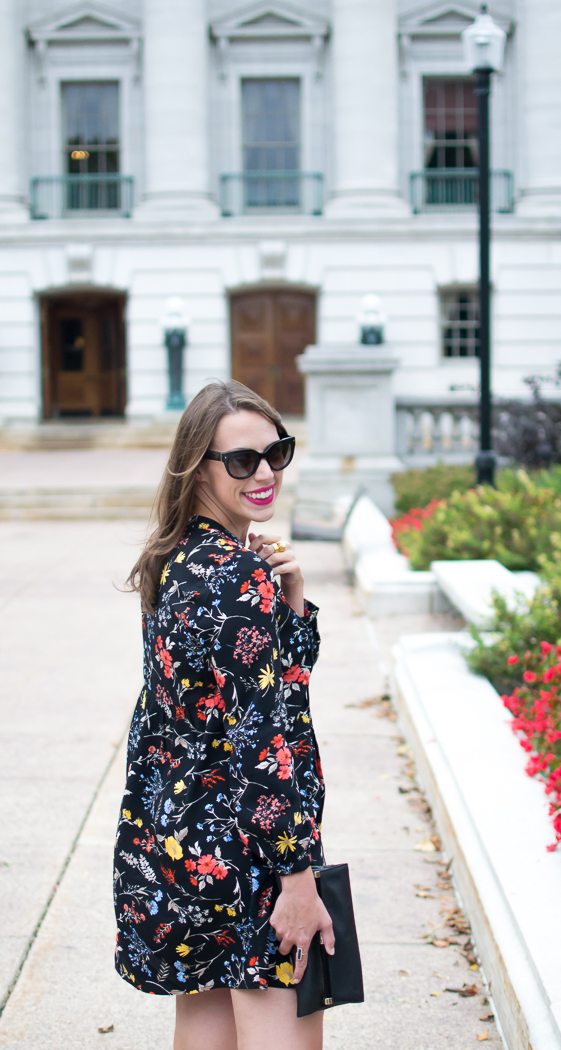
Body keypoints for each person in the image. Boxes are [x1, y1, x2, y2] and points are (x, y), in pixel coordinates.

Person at [114, 380, 334, 1050]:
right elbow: (262, 735)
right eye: (241, 461)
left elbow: (222, 699)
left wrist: (290, 603)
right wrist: (297, 877)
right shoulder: (238, 576)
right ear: (197, 465)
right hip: (251, 851)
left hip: (183, 846)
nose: (264, 473)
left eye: (276, 453)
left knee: (206, 1028)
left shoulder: (173, 561)